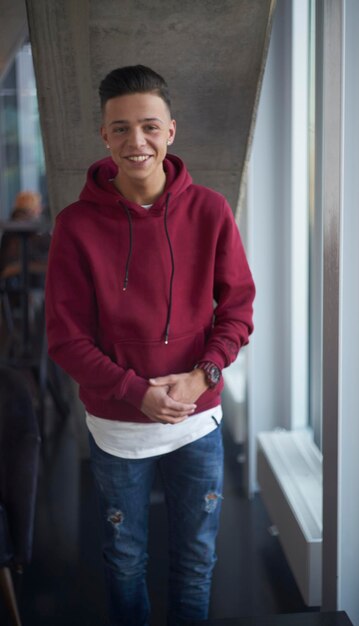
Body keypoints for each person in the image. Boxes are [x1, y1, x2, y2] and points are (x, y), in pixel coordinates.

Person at [45, 64, 255, 626]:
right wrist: (135, 393)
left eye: (148, 126)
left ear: (171, 130)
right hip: (117, 427)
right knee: (124, 558)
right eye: (120, 128)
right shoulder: (74, 226)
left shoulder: (210, 210)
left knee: (197, 558)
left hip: (197, 417)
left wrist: (201, 375)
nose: (135, 141)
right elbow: (65, 338)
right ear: (104, 136)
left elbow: (236, 311)